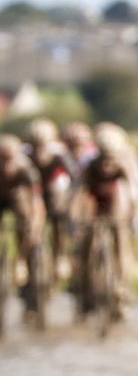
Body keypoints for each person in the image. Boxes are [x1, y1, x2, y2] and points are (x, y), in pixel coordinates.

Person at [77, 125, 138, 317]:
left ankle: (121, 287)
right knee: (86, 242)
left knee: (121, 241)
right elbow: (79, 192)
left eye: (111, 159)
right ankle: (85, 288)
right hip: (95, 198)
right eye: (104, 159)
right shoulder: (89, 164)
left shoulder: (126, 163)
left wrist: (133, 214)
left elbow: (133, 191)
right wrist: (77, 217)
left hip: (117, 199)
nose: (107, 165)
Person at [24, 118, 79, 280]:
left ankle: (60, 253)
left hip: (55, 186)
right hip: (33, 188)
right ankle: (26, 258)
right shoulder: (25, 152)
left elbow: (74, 175)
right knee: (27, 221)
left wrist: (71, 198)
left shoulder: (59, 152)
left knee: (59, 214)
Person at [0, 135, 46, 321]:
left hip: (18, 196)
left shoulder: (26, 169)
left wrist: (33, 228)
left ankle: (23, 265)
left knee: (27, 225)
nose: (6, 166)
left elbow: (37, 203)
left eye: (9, 160)